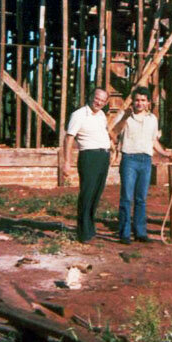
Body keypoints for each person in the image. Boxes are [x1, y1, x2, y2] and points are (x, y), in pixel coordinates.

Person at [116, 87, 172, 244]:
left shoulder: (152, 119)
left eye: (143, 100)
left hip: (145, 160)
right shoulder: (125, 116)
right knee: (127, 197)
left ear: (148, 102)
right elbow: (114, 132)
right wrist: (125, 117)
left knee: (141, 198)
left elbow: (153, 140)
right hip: (129, 159)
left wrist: (164, 153)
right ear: (132, 102)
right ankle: (125, 233)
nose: (139, 103)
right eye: (137, 100)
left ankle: (140, 232)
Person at [63, 89, 111, 243]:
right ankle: (82, 232)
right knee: (87, 193)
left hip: (103, 156)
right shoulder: (79, 115)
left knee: (97, 193)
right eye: (97, 98)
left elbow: (104, 133)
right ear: (91, 97)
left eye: (102, 101)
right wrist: (66, 162)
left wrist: (113, 147)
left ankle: (90, 227)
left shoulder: (102, 115)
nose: (99, 102)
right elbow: (69, 138)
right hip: (89, 156)